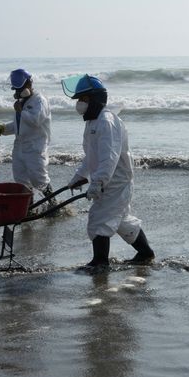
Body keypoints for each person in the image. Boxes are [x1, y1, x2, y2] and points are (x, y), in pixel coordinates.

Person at [60, 74, 155, 270]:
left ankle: (100, 263)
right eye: (79, 100)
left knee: (99, 218)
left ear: (95, 99)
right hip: (108, 179)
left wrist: (98, 183)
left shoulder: (106, 122)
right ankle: (145, 253)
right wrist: (79, 177)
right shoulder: (92, 122)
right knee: (120, 220)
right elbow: (91, 156)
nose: (79, 104)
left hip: (117, 180)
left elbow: (109, 157)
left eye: (83, 99)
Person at [0, 68, 56, 204]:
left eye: (19, 89)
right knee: (21, 181)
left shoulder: (39, 101)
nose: (16, 93)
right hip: (19, 148)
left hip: (35, 148)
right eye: (15, 90)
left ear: (29, 85)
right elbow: (19, 124)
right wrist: (1, 129)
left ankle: (54, 205)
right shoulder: (23, 102)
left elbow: (36, 120)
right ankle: (29, 208)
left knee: (39, 180)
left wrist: (21, 111)